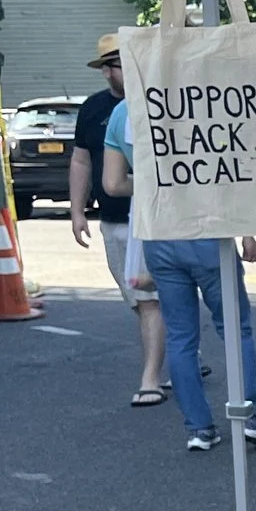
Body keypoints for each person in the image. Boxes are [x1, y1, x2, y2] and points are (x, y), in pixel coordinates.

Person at [101, 98, 256, 454]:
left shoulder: (125, 111)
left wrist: (156, 180)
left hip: (159, 233)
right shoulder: (199, 98)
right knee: (234, 328)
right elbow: (232, 171)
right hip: (209, 229)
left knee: (182, 336)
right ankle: (249, 417)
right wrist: (246, 229)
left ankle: (199, 427)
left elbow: (114, 183)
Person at [69, 34, 166, 406]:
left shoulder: (158, 103)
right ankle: (175, 347)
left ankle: (152, 377)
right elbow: (81, 160)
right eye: (115, 66)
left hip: (152, 218)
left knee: (148, 299)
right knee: (139, 299)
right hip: (113, 219)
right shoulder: (94, 109)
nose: (119, 71)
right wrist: (77, 211)